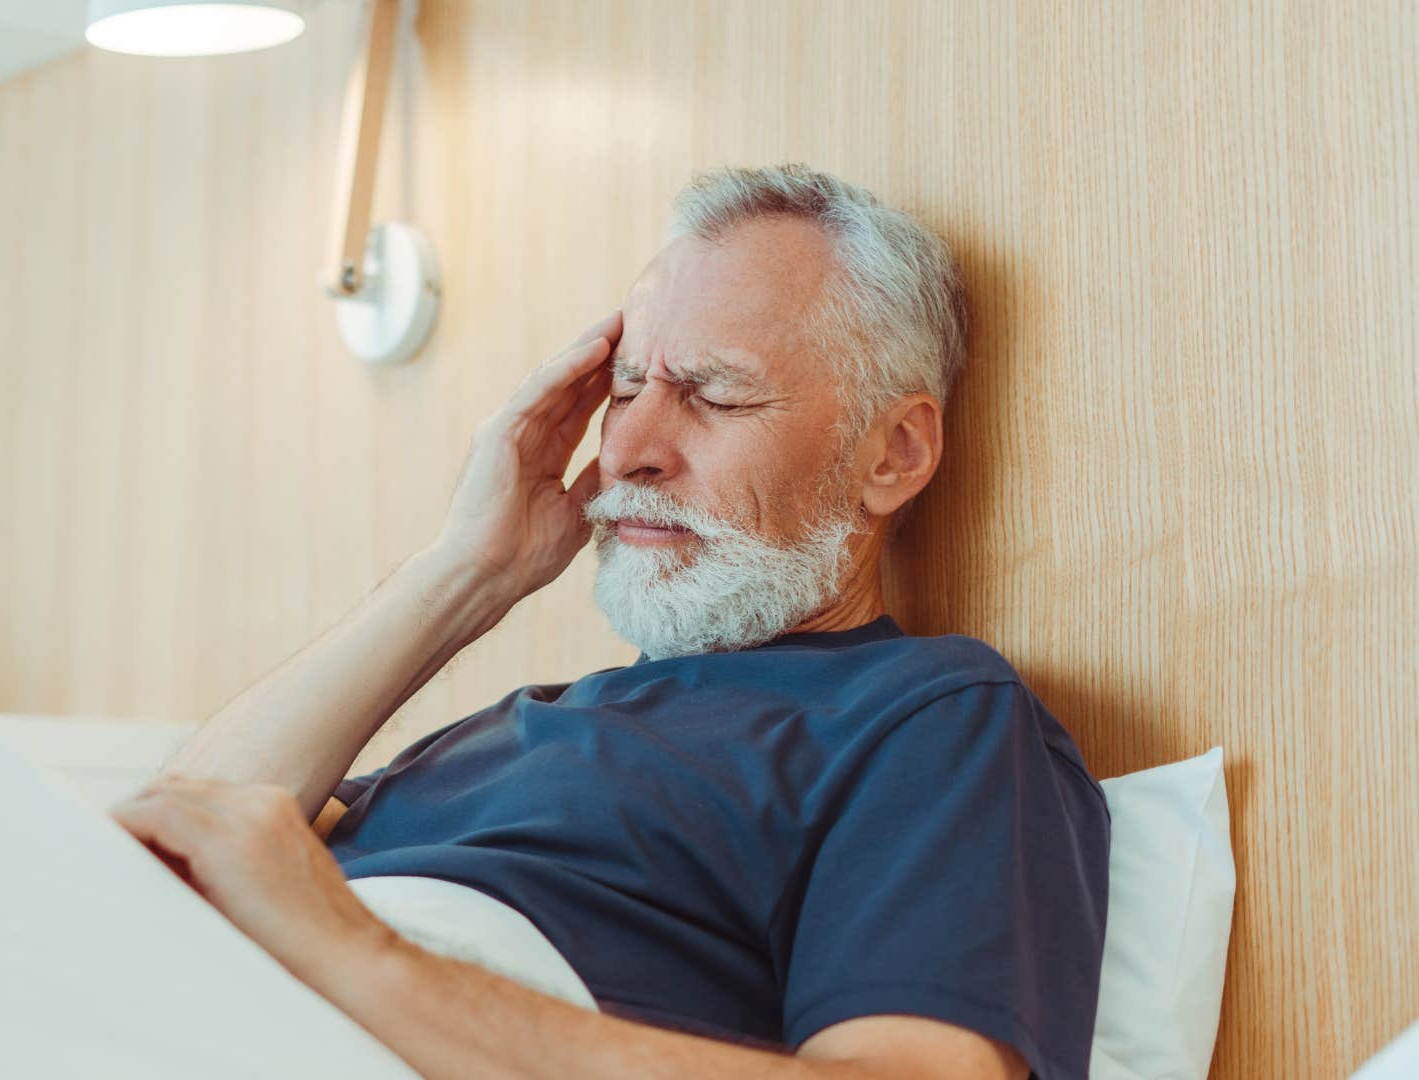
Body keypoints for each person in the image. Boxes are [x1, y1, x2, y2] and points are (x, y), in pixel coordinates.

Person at [112, 164, 1111, 1080]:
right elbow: (174, 843)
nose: (628, 446)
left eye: (713, 395)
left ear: (892, 452)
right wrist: (465, 572)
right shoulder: (513, 729)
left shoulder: (926, 718)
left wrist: (343, 946)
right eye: (626, 385)